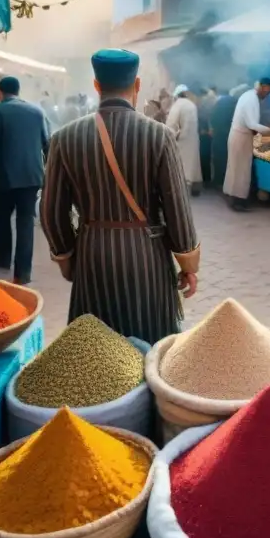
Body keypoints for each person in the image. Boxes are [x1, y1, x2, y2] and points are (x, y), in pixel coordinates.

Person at [40, 48, 201, 343]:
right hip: (146, 257)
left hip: (92, 256)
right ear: (137, 85)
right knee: (151, 344)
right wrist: (188, 265)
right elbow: (178, 207)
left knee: (96, 353)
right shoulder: (158, 135)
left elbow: (50, 211)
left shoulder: (64, 138)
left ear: (97, 86)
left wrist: (67, 258)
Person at [0, 77, 50, 285]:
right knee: (25, 222)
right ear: (18, 91)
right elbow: (47, 144)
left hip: (5, 176)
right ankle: (23, 272)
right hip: (32, 176)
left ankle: (4, 257)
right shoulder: (37, 111)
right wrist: (48, 172)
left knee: (1, 217)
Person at [224, 78, 270, 212]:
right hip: (241, 137)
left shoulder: (249, 96)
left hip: (240, 136)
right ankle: (238, 201)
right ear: (263, 87)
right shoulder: (251, 99)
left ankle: (233, 199)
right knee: (241, 170)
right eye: (268, 91)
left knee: (236, 168)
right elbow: (252, 124)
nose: (267, 95)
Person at [166, 84, 203, 197]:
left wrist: (168, 136)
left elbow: (171, 124)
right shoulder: (192, 105)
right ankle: (196, 188)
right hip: (193, 139)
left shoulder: (177, 105)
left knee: (182, 165)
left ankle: (182, 192)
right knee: (193, 165)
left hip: (181, 140)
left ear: (176, 96)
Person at [209, 86, 240, 189]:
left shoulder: (219, 103)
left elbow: (213, 116)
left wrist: (213, 128)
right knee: (228, 158)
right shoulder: (235, 101)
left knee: (218, 158)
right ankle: (226, 182)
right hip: (231, 133)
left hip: (219, 134)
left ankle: (217, 181)